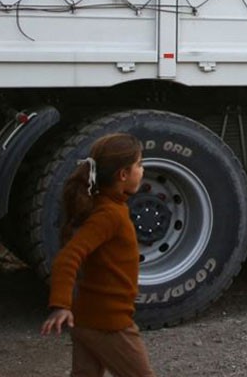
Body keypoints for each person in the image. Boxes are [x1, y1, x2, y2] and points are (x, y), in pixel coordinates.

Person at [40, 133, 156, 377]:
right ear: (123, 175)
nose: (142, 170)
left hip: (87, 319)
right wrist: (61, 305)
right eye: (139, 165)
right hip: (109, 324)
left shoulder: (107, 207)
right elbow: (68, 257)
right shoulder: (109, 215)